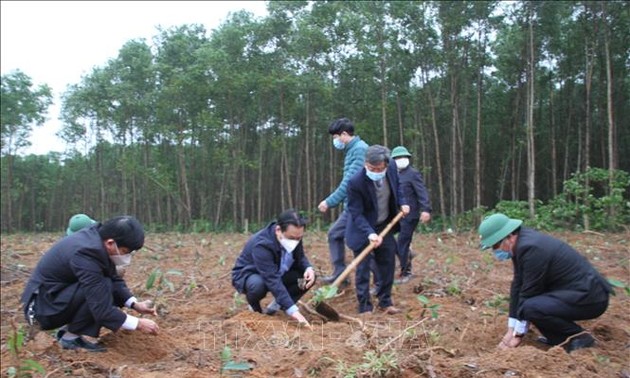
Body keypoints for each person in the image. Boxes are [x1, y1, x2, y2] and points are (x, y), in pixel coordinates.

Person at [21, 216, 159, 352]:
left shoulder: (98, 240)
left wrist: (134, 304)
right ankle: (69, 338)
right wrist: (137, 324)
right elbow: (101, 309)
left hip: (54, 297)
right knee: (101, 288)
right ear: (110, 243)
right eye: (125, 252)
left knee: (104, 283)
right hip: (42, 310)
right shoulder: (86, 254)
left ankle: (70, 334)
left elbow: (112, 277)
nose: (127, 256)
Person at [478, 213, 612, 353]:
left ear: (509, 237)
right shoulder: (521, 244)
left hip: (591, 298)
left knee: (531, 308)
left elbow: (529, 292)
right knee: (530, 307)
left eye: (496, 245)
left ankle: (579, 338)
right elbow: (518, 285)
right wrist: (511, 328)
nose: (495, 251)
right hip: (574, 292)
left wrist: (517, 335)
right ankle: (560, 341)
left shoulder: (531, 248)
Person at [345, 145, 410, 315]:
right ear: (365, 163)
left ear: (386, 165)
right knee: (363, 268)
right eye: (371, 168)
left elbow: (398, 189)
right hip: (362, 229)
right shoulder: (355, 182)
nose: (374, 171)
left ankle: (385, 301)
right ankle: (365, 305)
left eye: (378, 168)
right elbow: (356, 213)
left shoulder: (392, 169)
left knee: (388, 263)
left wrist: (402, 202)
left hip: (384, 224)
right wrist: (370, 233)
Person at [231, 209, 316, 328]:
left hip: (279, 271)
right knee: (258, 286)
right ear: (278, 230)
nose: (296, 242)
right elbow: (271, 279)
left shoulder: (295, 236)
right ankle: (254, 308)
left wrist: (308, 268)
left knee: (306, 279)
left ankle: (277, 306)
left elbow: (300, 257)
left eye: (299, 238)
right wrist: (294, 311)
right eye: (292, 238)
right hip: (252, 274)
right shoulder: (262, 244)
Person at [318, 118, 369, 288]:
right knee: (337, 235)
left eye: (335, 137)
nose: (335, 141)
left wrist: (329, 201)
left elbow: (350, 182)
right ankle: (341, 274)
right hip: (353, 205)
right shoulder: (352, 150)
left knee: (355, 241)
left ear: (344, 134)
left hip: (358, 206)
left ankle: (397, 260)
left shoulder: (360, 150)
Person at [390, 146, 431, 284]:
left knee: (403, 242)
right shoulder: (393, 174)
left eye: (404, 157)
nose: (401, 160)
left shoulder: (413, 174)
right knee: (389, 240)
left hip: (410, 216)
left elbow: (422, 192)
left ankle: (406, 272)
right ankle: (407, 254)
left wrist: (426, 209)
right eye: (397, 158)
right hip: (396, 216)